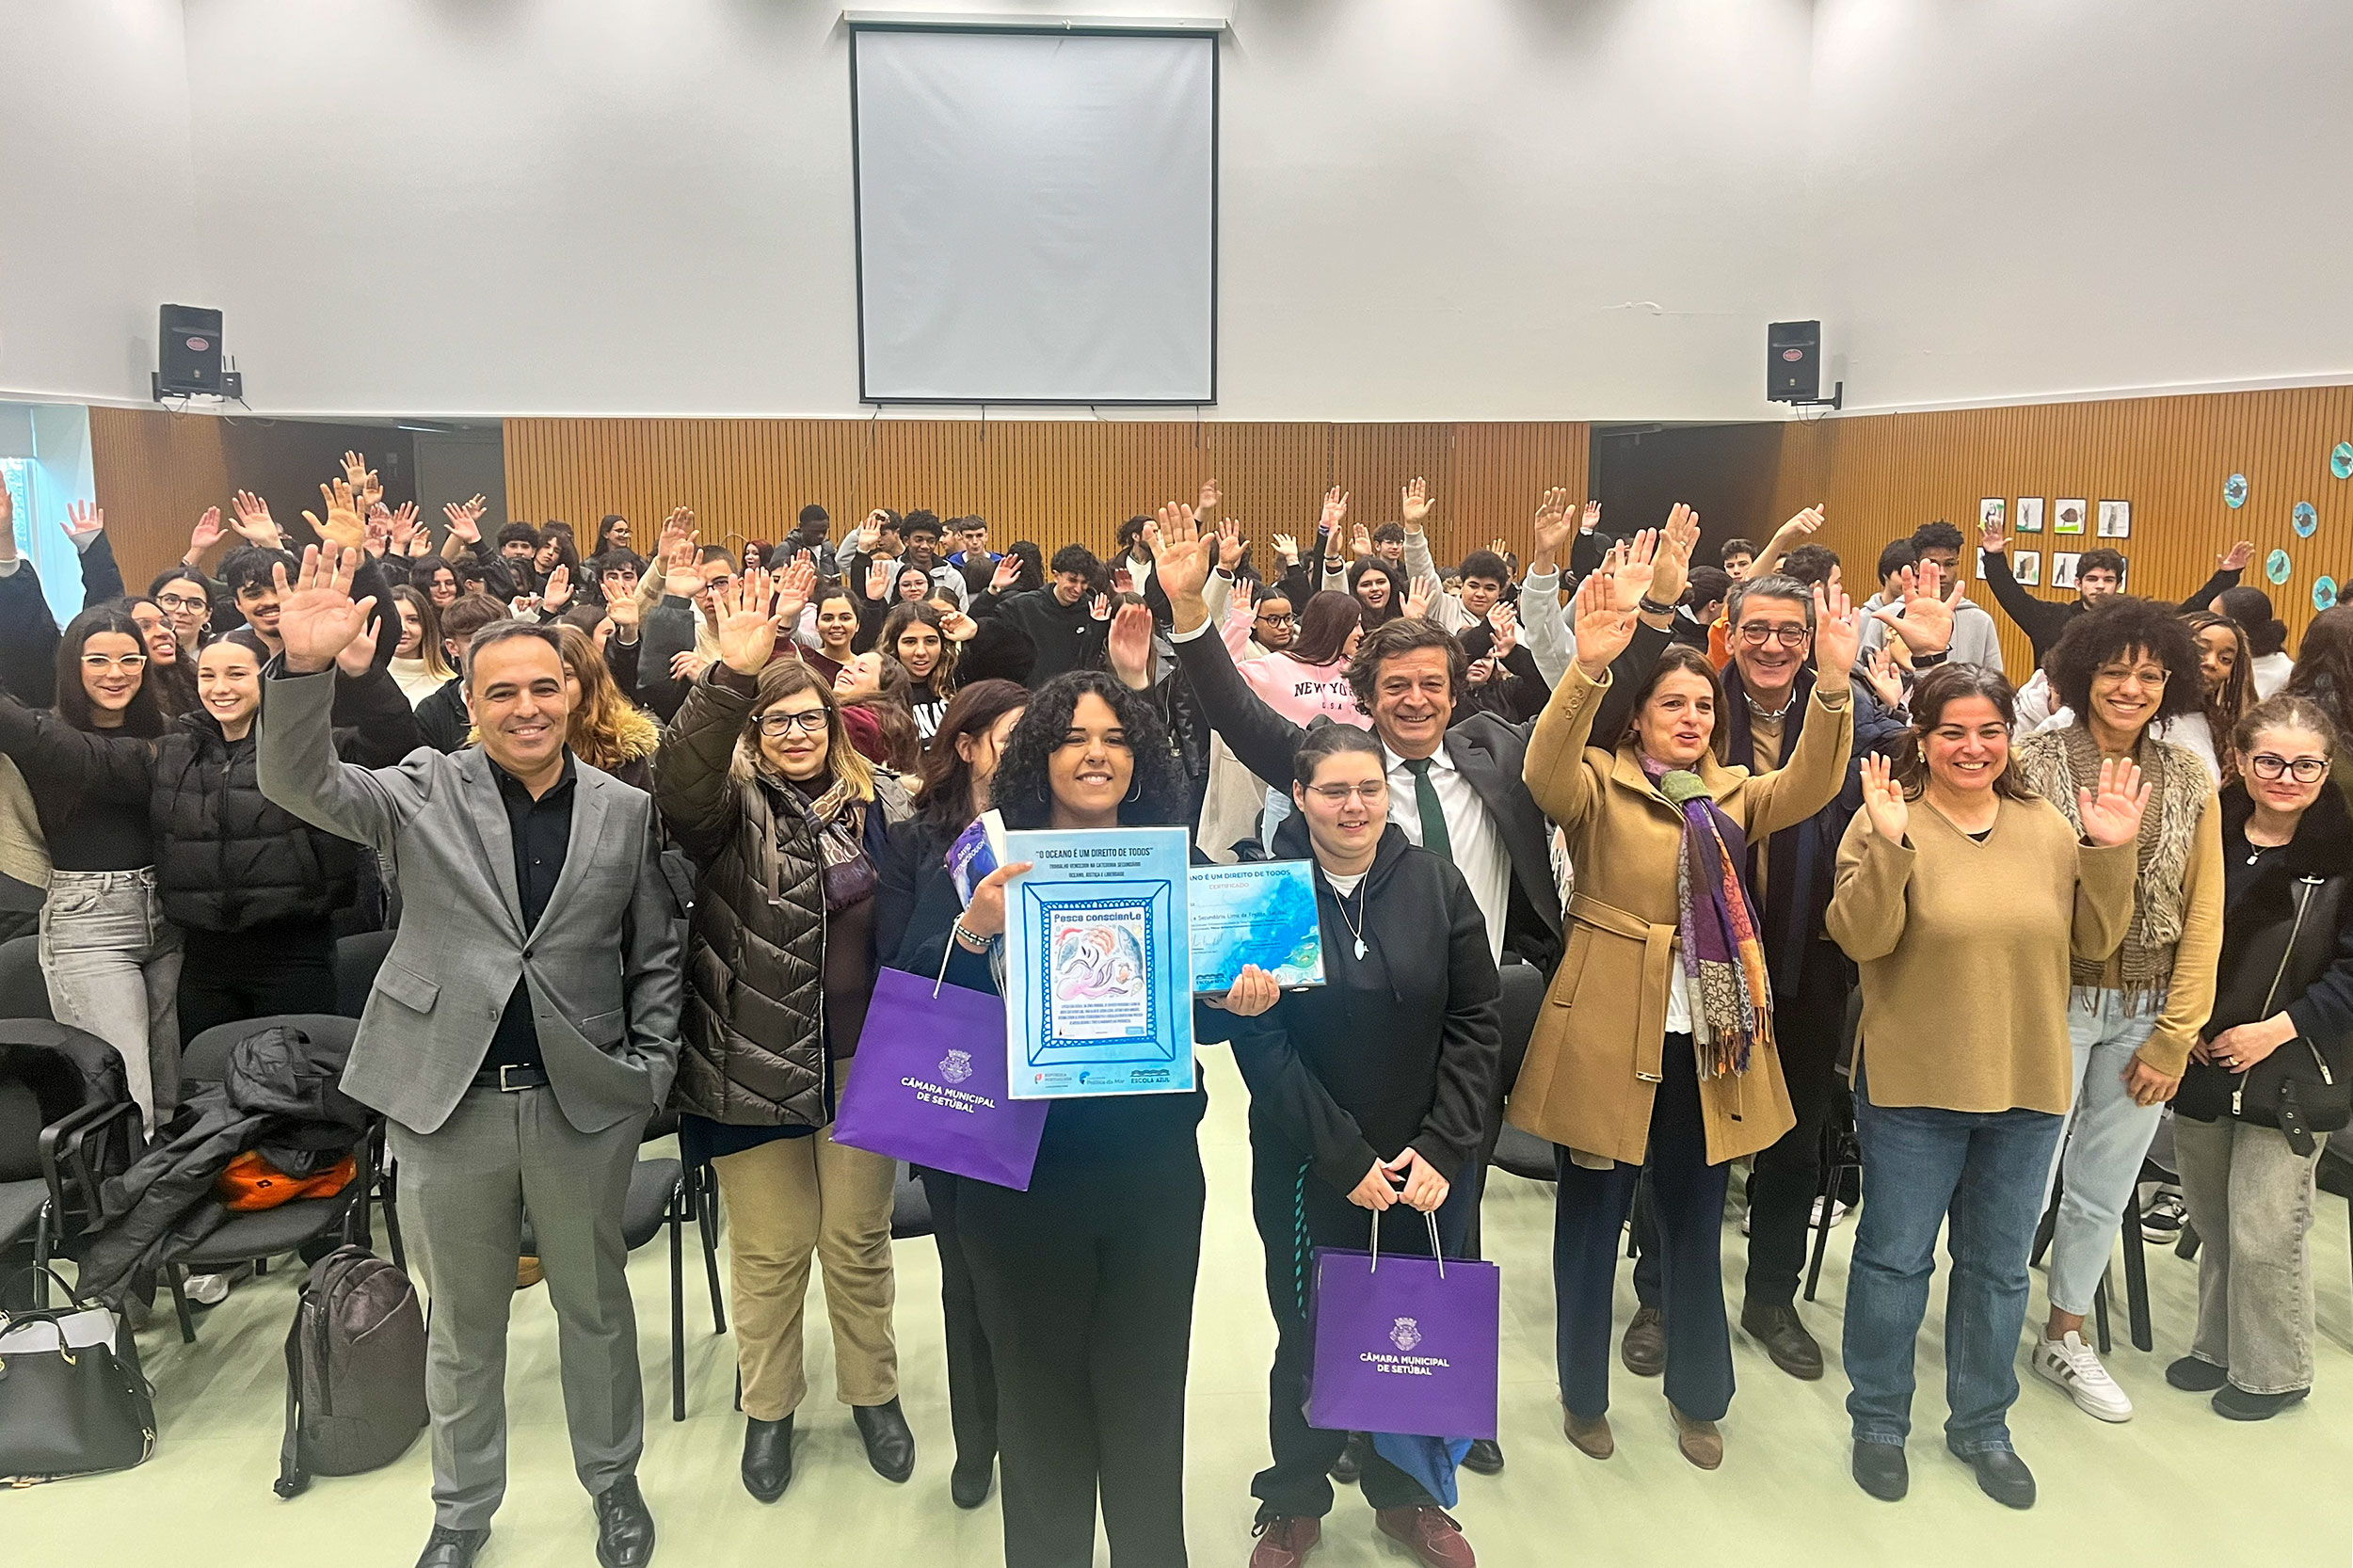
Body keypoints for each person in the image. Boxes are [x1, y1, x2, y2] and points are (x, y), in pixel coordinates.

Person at [257, 548, 682, 1568]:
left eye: (543, 687)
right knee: (463, 1325)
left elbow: (654, 952)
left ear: (572, 691)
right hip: (448, 1102)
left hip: (582, 1102)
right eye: (502, 692)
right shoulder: (420, 790)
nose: (526, 708)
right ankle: (461, 1509)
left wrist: (650, 1071)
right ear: (469, 700)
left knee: (596, 1310)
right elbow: (298, 779)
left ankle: (613, 1484)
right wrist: (304, 671)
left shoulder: (623, 808)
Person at [1513, 571, 1857, 1469]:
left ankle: (1699, 1398)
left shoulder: (1733, 792)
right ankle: (1583, 1395)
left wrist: (1831, 686)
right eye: (1673, 703)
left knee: (1696, 1222)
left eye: (1705, 705)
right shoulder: (1597, 781)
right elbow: (1542, 772)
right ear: (1636, 718)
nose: (1694, 718)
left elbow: (1815, 783)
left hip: (1707, 1038)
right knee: (1591, 1223)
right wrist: (1587, 670)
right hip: (1603, 1026)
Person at [900, 669, 1211, 1568]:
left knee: (1147, 1398)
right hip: (1018, 1175)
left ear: (1140, 757)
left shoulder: (1175, 863)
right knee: (1038, 1412)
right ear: (1039, 753)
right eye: (1074, 737)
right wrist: (976, 929)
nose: (1096, 754)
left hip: (1150, 1173)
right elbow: (919, 1000)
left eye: (1115, 738)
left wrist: (1244, 994)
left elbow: (1216, 1012)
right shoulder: (987, 861)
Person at [1827, 664, 2145, 1508]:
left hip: (2027, 1085)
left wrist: (2110, 852)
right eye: (1953, 733)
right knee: (1895, 1263)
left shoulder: (2047, 827)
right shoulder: (1887, 815)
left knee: (2000, 1271)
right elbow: (1860, 938)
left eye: (1990, 731)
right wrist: (1889, 846)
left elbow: (2095, 942)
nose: (1973, 748)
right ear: (1923, 740)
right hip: (1913, 1087)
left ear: (2011, 737)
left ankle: (1981, 1426)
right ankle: (1879, 1420)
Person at [1595, 568, 1910, 1384]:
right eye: (1757, 630)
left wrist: (1847, 681)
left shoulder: (1852, 716)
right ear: (1728, 634)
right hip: (1697, 968)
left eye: (1791, 632)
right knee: (1677, 1137)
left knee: (1796, 1142)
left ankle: (1771, 1297)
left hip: (1805, 960)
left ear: (1811, 641)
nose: (1773, 646)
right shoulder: (1692, 704)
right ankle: (1660, 1296)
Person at [655, 569, 917, 1505]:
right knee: (769, 1250)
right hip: (747, 1062)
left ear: (835, 723)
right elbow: (680, 777)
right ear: (754, 732)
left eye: (811, 718)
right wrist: (729, 679)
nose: (797, 733)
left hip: (865, 1062)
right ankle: (768, 1409)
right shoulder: (725, 810)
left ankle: (873, 1394)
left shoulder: (888, 804)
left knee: (856, 1239)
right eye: (778, 721)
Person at [1225, 724, 1501, 1568]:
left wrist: (1445, 1145)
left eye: (1369, 789)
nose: (1355, 806)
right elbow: (1263, 1045)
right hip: (1309, 1163)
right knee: (1306, 1331)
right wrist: (1344, 1160)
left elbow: (1476, 1020)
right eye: (1334, 790)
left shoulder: (1436, 885)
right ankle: (1294, 1498)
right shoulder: (1271, 894)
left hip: (1425, 1165)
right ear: (1299, 796)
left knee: (1408, 1325)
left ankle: (1405, 1495)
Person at [2011, 598, 2221, 1424]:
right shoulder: (2030, 762)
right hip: (2050, 1001)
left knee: (2102, 1187)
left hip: (2144, 1008)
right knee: (2023, 1181)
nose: (2132, 688)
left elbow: (2204, 915)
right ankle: (1987, 1324)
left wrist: (2176, 1035)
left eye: (2151, 674)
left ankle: (2065, 1334)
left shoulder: (2191, 777)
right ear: (2082, 672)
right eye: (2115, 670)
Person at [2171, 695, 2352, 1420]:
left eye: (2306, 765)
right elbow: (2168, 931)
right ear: (2240, 761)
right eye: (2271, 761)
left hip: (2293, 1067)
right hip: (2199, 1057)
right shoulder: (2203, 834)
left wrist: (2277, 1029)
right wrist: (2179, 1023)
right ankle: (2218, 1346)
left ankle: (2275, 1372)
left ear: (2327, 769)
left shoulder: (2343, 854)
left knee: (2265, 1228)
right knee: (2214, 1219)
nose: (2287, 777)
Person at [874, 678, 1028, 1511]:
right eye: (1011, 736)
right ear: (966, 746)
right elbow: (898, 966)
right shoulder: (914, 843)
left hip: (1053, 1084)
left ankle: (1043, 1432)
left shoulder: (1063, 830)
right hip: (957, 1083)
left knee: (1046, 1273)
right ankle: (979, 1442)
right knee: (967, 1277)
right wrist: (973, 929)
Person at [161, 630, 421, 1037]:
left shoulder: (313, 747)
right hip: (204, 956)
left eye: (236, 674)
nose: (220, 688)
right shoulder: (174, 752)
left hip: (295, 948)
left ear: (266, 677)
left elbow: (394, 744)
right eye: (207, 676)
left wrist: (366, 676)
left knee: (298, 1068)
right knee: (207, 1067)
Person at [0, 606, 181, 1130]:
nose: (115, 673)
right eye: (97, 659)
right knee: (125, 1092)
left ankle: (165, 1177)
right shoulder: (41, 737)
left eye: (130, 659)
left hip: (169, 916)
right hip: (87, 920)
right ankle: (126, 1184)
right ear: (71, 665)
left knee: (168, 1090)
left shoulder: (168, 733)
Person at [1979, 511, 2251, 664]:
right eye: (2092, 579)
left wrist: (2226, 576)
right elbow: (2011, 595)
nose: (2100, 586)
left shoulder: (2132, 622)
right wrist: (1993, 557)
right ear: (2078, 584)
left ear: (2118, 585)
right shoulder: (2050, 619)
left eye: (2108, 580)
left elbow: (2185, 613)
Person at [972, 543, 1110, 686]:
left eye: (1084, 583)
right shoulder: (1024, 605)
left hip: (1075, 694)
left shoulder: (1093, 611)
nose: (1078, 589)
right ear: (1056, 575)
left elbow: (1094, 662)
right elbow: (978, 626)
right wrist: (993, 589)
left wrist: (1098, 627)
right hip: (1031, 693)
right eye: (1072, 580)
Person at [417, 595, 514, 753]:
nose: (489, 647)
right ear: (452, 647)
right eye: (476, 640)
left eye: (499, 638)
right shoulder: (433, 712)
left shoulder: (531, 697)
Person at [2185, 610, 2255, 784]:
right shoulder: (2139, 718)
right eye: (2201, 649)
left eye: (2225, 659)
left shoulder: (2221, 731)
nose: (2211, 662)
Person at [389, 584, 458, 707]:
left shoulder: (450, 686)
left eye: (412, 620)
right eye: (394, 619)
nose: (402, 628)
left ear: (426, 626)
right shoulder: (362, 678)